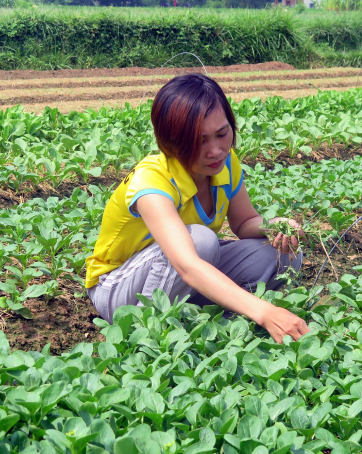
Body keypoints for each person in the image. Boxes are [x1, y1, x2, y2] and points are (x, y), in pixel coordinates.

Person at [85, 73, 310, 343]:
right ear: (171, 142)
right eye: (200, 141)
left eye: (222, 133)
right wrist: (265, 312)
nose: (215, 150)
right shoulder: (152, 181)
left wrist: (274, 227)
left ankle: (207, 322)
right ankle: (147, 329)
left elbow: (244, 222)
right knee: (202, 242)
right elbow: (187, 264)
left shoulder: (225, 163)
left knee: (282, 254)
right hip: (118, 288)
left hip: (178, 275)